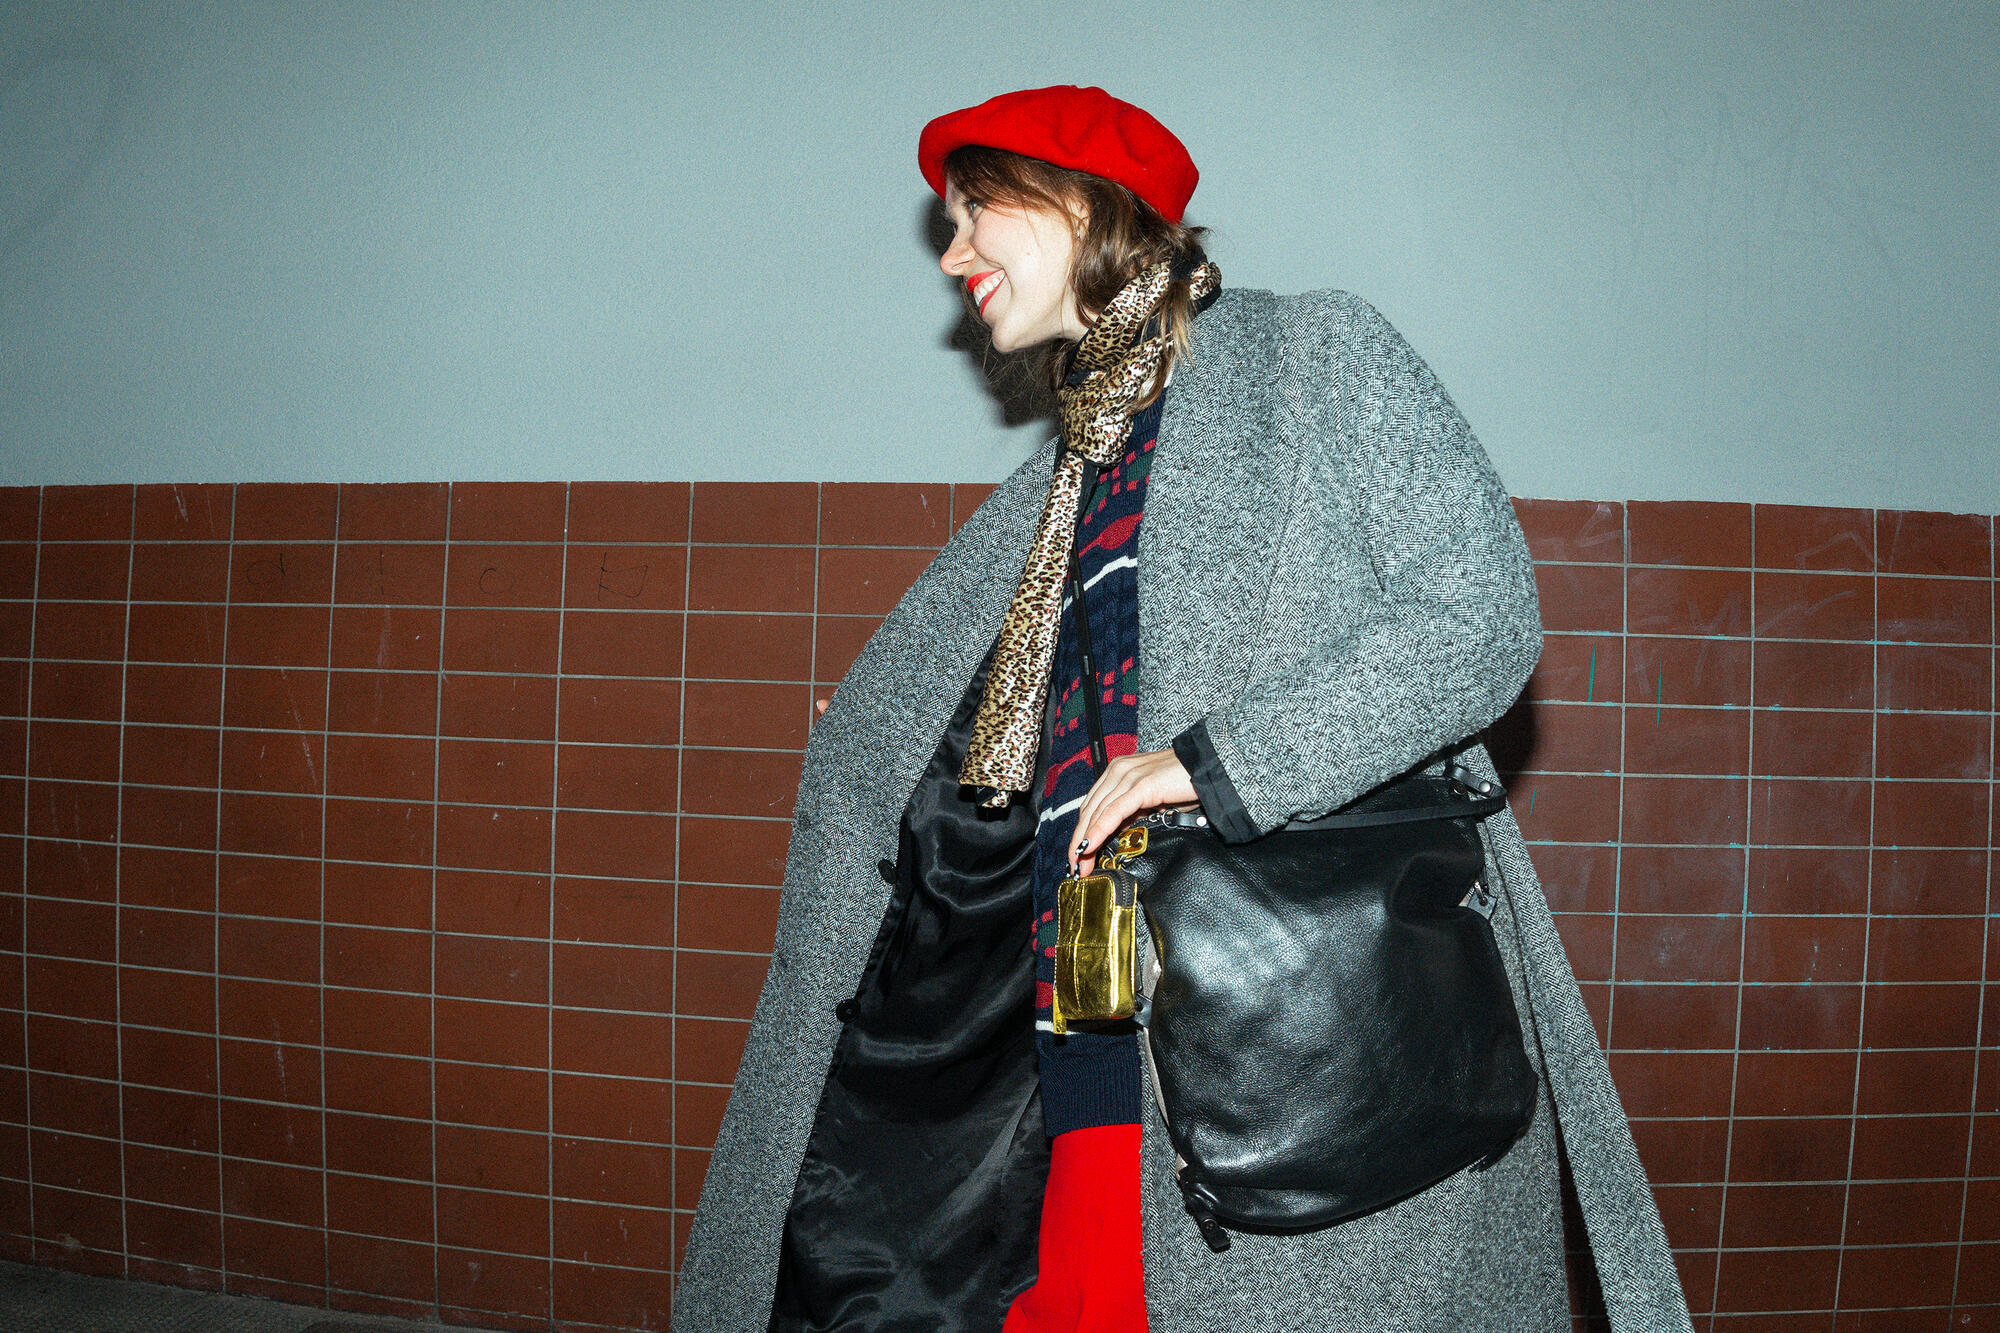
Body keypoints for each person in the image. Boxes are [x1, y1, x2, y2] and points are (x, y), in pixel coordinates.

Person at [673, 86, 1692, 1333]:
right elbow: (1067, 732)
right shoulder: (1058, 487)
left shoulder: (1312, 360)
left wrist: (1219, 765)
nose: (949, 256)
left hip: (1301, 1055)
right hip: (1076, 1065)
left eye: (974, 209)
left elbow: (1478, 615)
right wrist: (914, 750)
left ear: (1080, 201)